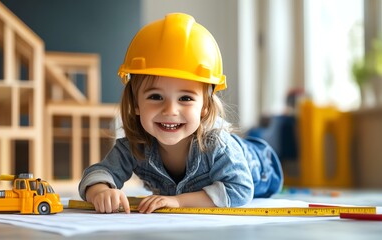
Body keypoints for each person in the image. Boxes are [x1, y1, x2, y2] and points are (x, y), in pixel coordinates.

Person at [79, 13, 283, 214]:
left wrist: (178, 202)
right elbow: (98, 173)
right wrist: (100, 191)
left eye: (185, 98)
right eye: (156, 97)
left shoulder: (217, 144)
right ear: (136, 104)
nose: (170, 110)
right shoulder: (134, 145)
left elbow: (240, 188)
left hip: (262, 166)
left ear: (204, 107)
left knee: (257, 166)